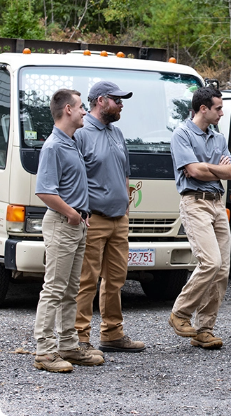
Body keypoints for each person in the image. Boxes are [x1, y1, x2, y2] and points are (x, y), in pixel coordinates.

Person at [33, 89, 104, 372]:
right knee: (54, 288)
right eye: (80, 107)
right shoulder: (53, 146)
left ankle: (68, 346)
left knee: (71, 289)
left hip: (75, 225)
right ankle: (44, 352)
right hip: (63, 224)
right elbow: (44, 191)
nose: (85, 111)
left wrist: (80, 215)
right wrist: (72, 213)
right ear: (67, 110)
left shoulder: (71, 142)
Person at [75, 81, 145, 354]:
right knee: (86, 280)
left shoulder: (117, 133)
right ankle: (79, 338)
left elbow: (125, 172)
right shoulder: (81, 134)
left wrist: (126, 208)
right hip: (93, 219)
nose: (122, 105)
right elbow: (73, 176)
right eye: (118, 100)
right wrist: (82, 211)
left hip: (118, 219)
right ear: (101, 101)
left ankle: (112, 334)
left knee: (116, 279)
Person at [168, 86, 231, 349]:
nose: (222, 112)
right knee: (211, 262)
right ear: (203, 108)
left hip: (218, 204)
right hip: (194, 202)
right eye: (218, 108)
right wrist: (213, 169)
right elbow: (193, 171)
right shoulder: (181, 134)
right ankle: (180, 314)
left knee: (223, 270)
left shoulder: (218, 137)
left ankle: (204, 330)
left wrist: (207, 169)